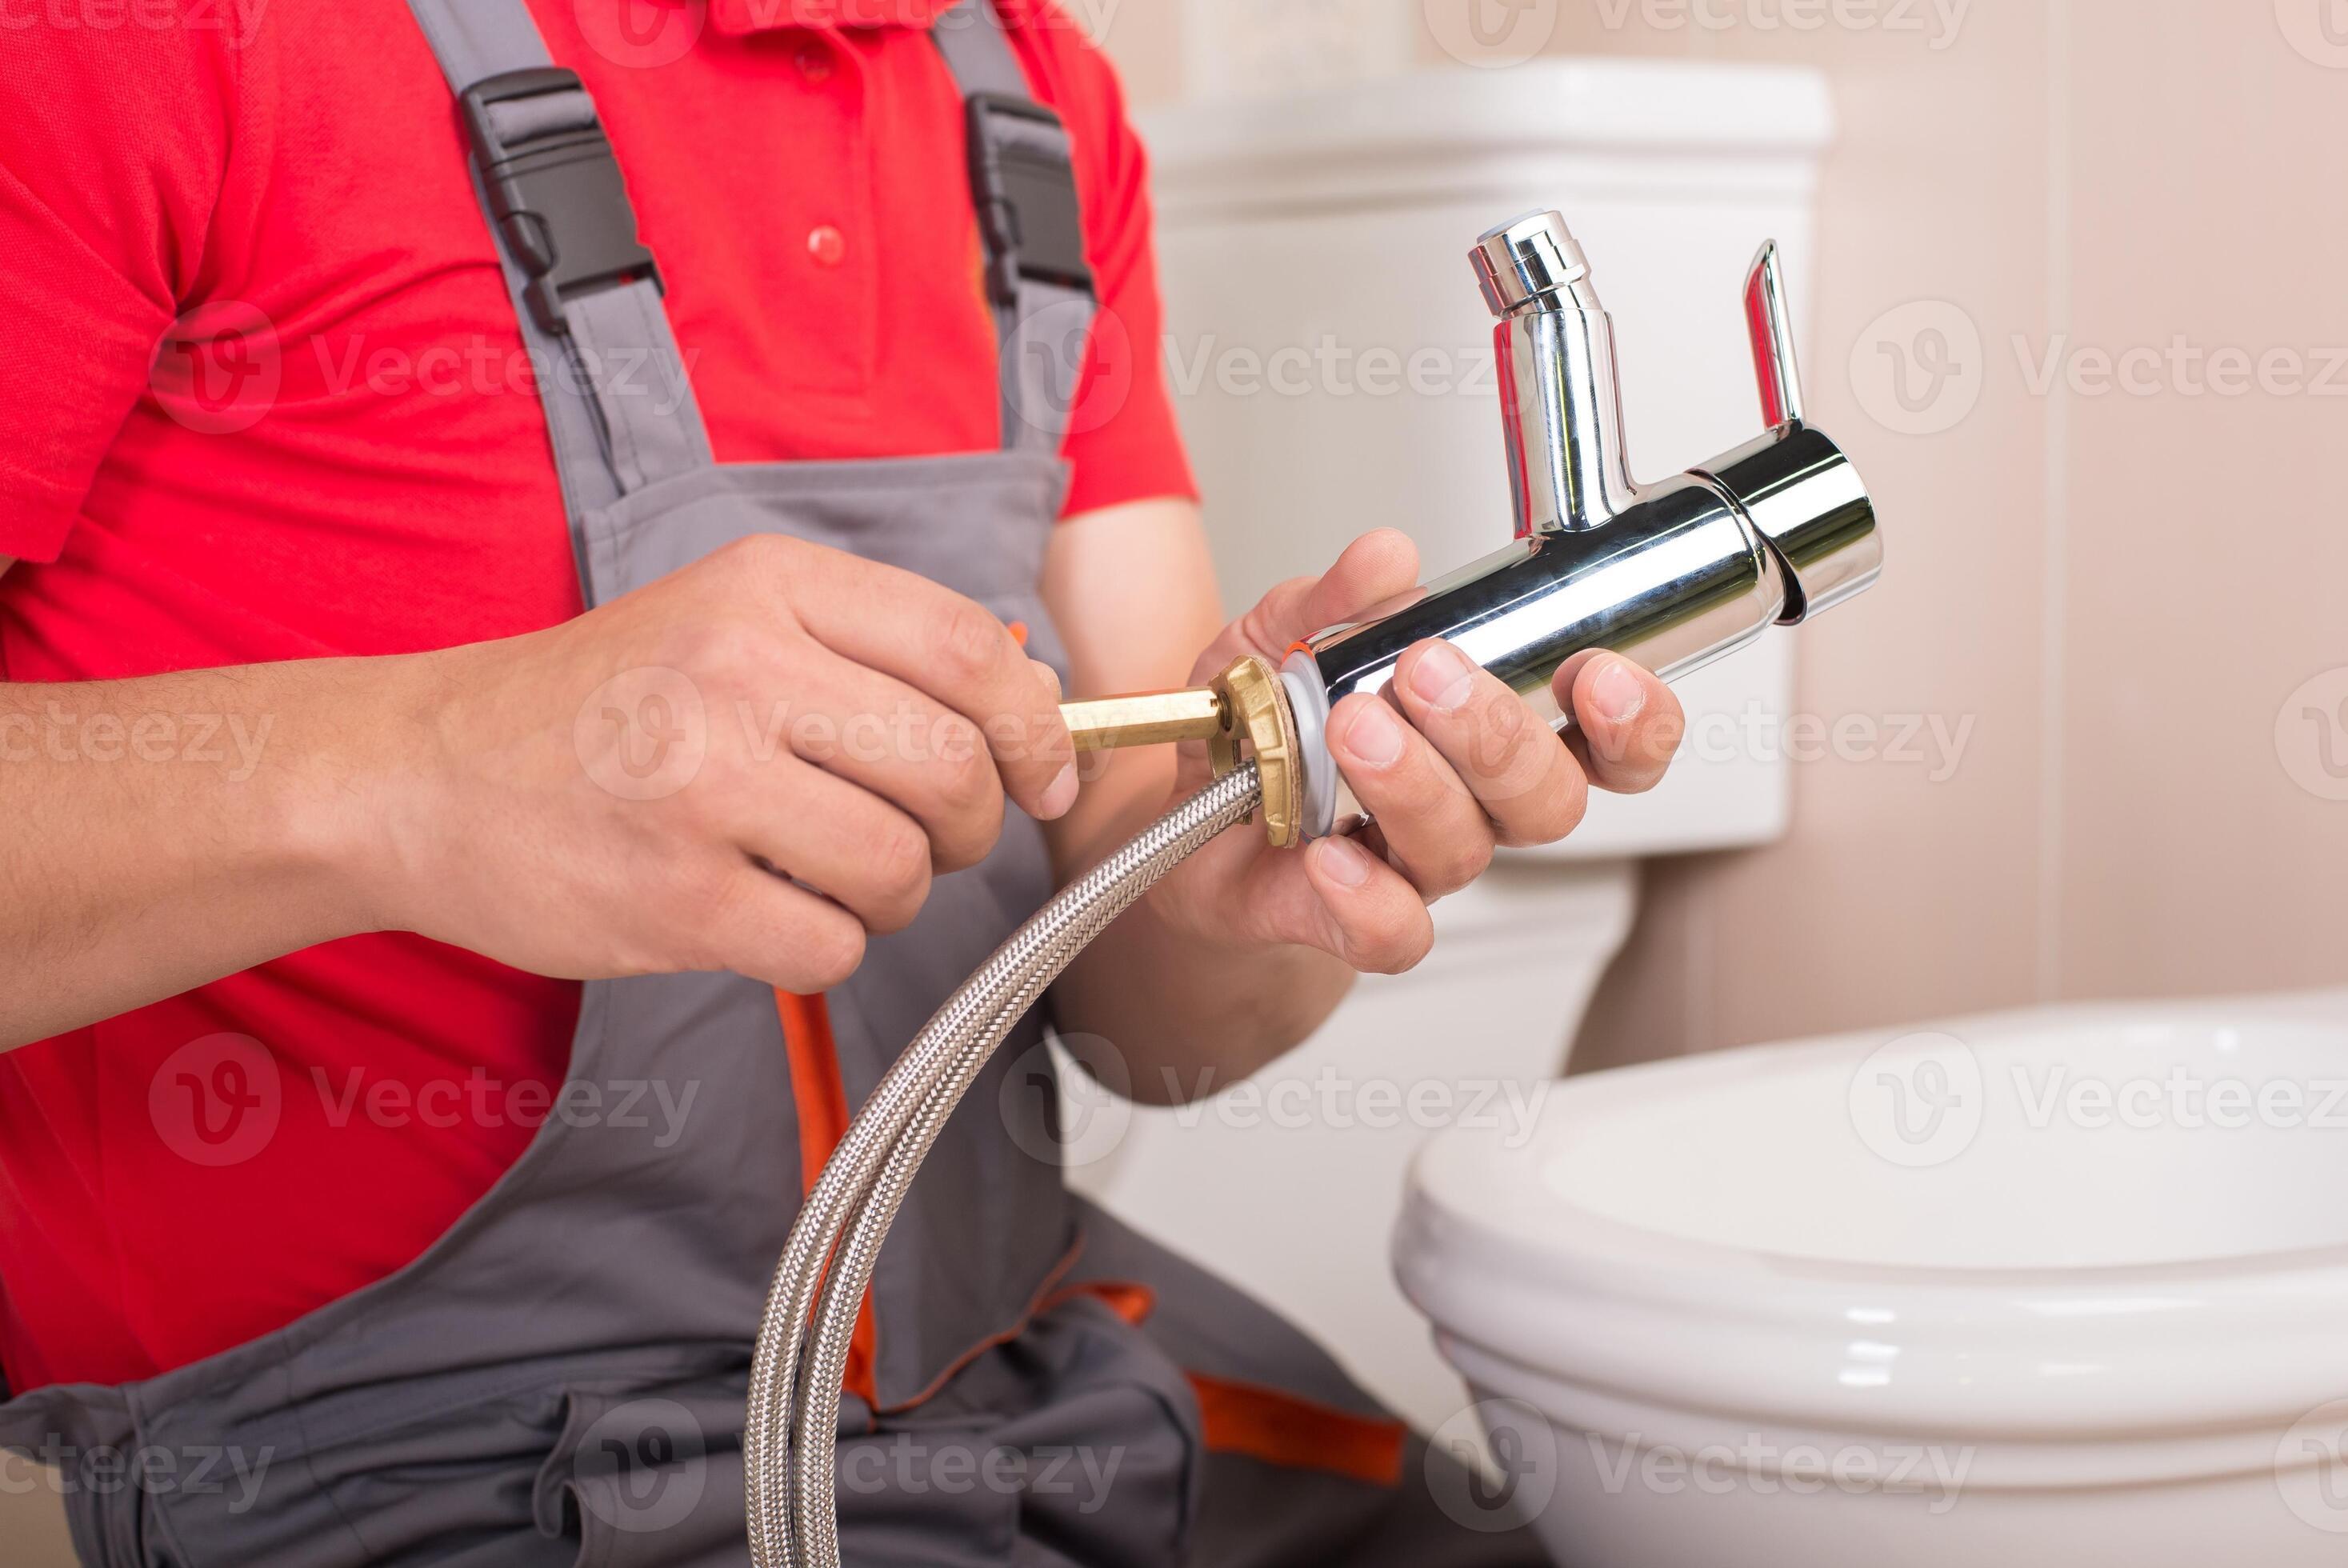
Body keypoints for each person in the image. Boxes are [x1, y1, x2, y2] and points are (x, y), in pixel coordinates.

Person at [0, 0, 1686, 1561]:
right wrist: (418, 772)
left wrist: (1234, 884)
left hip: (1019, 1375)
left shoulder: (1031, 100)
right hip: (367, 1468)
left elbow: (1141, 1011)